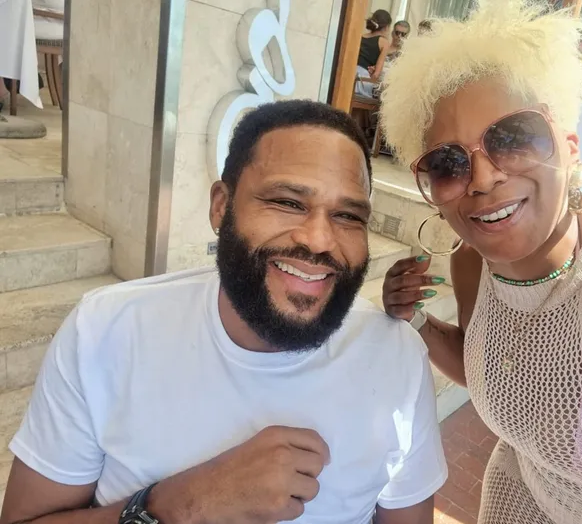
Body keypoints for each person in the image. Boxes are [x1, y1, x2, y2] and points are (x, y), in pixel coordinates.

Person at [2, 101, 447, 524]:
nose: (318, 240)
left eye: (348, 215)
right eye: (287, 202)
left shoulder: (397, 359)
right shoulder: (108, 332)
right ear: (221, 206)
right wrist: (187, 505)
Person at [380, 1, 582, 523]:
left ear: (570, 148)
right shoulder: (472, 262)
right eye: (448, 163)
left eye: (512, 138)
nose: (483, 178)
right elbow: (499, 375)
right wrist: (416, 320)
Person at [356, 9, 392, 97]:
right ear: (387, 27)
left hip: (350, 73)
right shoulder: (384, 42)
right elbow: (376, 74)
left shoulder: (360, 37)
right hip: (363, 78)